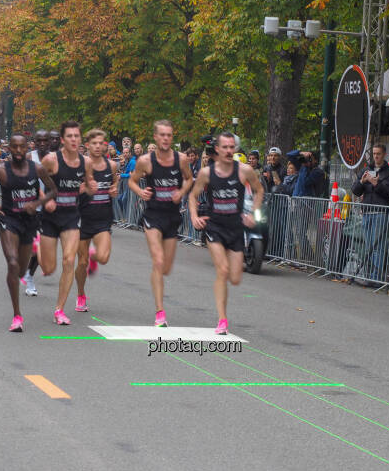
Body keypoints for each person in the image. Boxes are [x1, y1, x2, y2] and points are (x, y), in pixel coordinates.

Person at [0, 134, 57, 332]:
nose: (17, 150)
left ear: (27, 148)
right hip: (9, 220)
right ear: (9, 147)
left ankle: (23, 277)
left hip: (29, 222)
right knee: (13, 263)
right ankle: (17, 315)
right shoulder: (0, 171)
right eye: (13, 147)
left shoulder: (37, 169)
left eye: (21, 147)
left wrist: (38, 203)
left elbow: (53, 190)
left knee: (22, 269)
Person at [190, 133, 263, 333]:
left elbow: (259, 190)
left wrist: (254, 214)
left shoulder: (244, 171)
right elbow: (193, 195)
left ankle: (223, 312)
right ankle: (222, 320)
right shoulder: (207, 173)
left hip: (236, 228)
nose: (229, 151)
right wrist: (194, 216)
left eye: (232, 147)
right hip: (215, 227)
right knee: (222, 270)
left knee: (236, 277)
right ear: (218, 149)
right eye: (225, 147)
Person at [128, 119, 193, 326]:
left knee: (165, 268)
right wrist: (141, 192)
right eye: (162, 135)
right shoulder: (145, 161)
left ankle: (159, 297)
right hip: (153, 215)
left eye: (169, 135)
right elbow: (131, 181)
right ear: (155, 137)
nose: (165, 138)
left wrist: (181, 192)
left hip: (172, 217)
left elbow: (190, 179)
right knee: (157, 261)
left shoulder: (181, 159)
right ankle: (160, 312)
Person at [38, 121, 97, 325]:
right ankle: (38, 245)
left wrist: (91, 188)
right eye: (70, 136)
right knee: (48, 267)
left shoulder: (86, 162)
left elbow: (89, 186)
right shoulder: (51, 160)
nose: (74, 139)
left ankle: (59, 310)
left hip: (71, 216)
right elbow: (33, 178)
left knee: (69, 261)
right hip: (50, 217)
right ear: (63, 140)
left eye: (77, 136)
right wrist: (45, 199)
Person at [75, 129, 119, 312]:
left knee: (104, 258)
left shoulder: (112, 166)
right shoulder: (79, 166)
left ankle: (94, 255)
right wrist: (83, 188)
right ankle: (81, 295)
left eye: (101, 143)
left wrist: (114, 189)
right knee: (82, 263)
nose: (98, 146)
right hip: (81, 219)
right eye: (94, 143)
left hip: (103, 219)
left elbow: (115, 182)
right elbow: (69, 190)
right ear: (87, 145)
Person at [351, 144, 389, 283]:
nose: (376, 156)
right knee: (369, 246)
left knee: (378, 247)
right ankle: (370, 275)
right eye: (374, 153)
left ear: (384, 155)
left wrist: (377, 184)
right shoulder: (366, 170)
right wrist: (362, 181)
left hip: (380, 212)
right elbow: (355, 190)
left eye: (379, 153)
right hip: (367, 212)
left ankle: (375, 278)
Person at [20, 130, 51, 297]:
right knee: (35, 247)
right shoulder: (30, 158)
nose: (43, 143)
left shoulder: (54, 158)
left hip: (49, 209)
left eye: (46, 140)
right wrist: (41, 195)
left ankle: (29, 275)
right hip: (32, 207)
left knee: (43, 249)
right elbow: (25, 180)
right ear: (35, 142)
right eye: (39, 140)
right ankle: (27, 276)